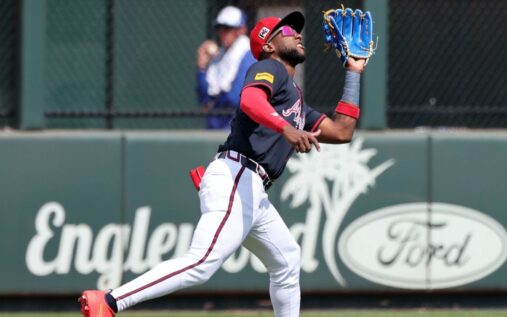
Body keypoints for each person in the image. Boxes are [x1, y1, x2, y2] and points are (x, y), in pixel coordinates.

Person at [79, 10, 366, 317]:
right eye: (286, 30)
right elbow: (250, 100)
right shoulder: (269, 67)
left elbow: (341, 131)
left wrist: (353, 72)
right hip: (237, 175)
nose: (296, 33)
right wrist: (286, 128)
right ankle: (109, 301)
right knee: (202, 262)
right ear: (267, 44)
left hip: (251, 188)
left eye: (297, 30)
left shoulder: (294, 97)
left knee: (287, 259)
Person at [196, 6, 256, 129]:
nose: (222, 32)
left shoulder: (248, 55)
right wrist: (202, 67)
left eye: (228, 28)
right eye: (219, 28)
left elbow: (236, 98)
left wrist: (213, 104)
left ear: (242, 29)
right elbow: (203, 99)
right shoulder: (218, 56)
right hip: (215, 126)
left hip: (237, 130)